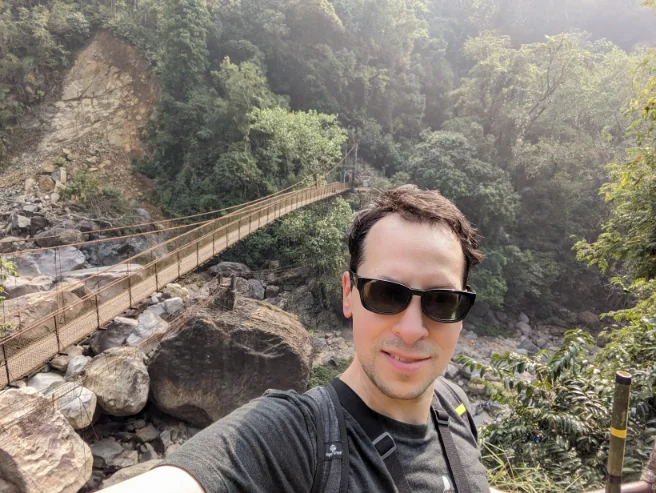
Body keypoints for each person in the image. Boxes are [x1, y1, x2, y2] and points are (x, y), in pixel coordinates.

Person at [104, 185, 497, 493]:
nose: (411, 329)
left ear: (463, 310)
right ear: (348, 294)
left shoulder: (453, 405)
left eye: (442, 301)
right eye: (386, 294)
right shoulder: (299, 436)